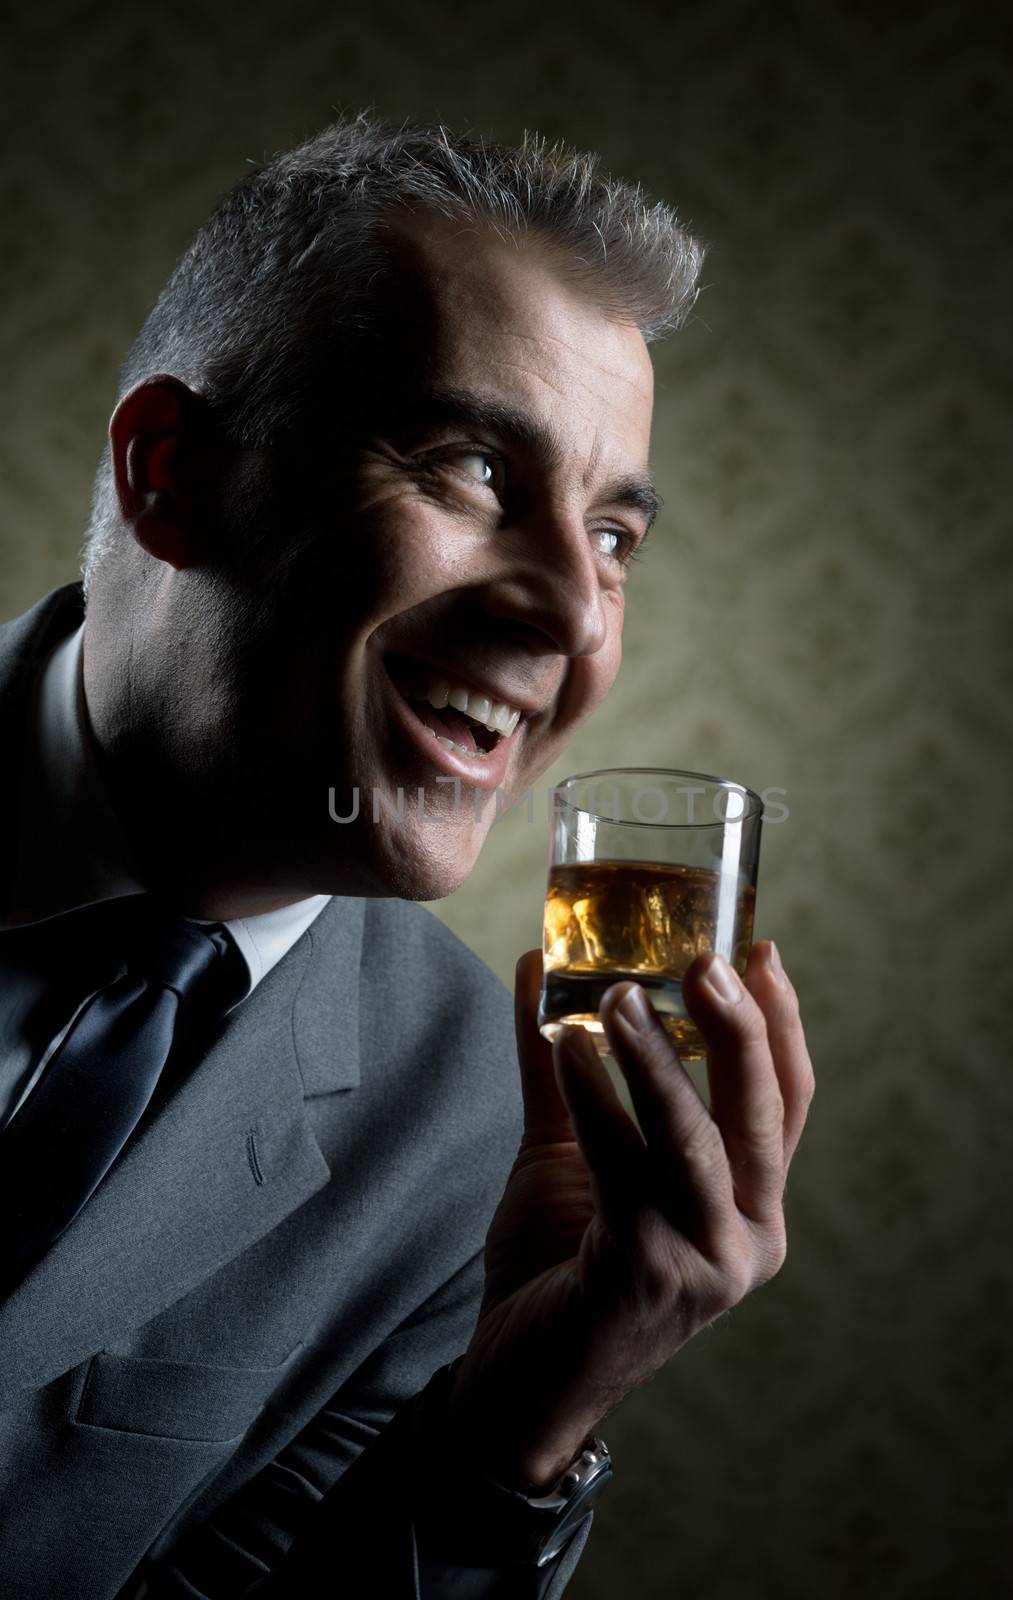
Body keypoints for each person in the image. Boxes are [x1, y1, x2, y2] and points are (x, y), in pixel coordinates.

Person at [0, 119, 814, 1599]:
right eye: (469, 470)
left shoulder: (483, 1138)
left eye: (615, 533)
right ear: (172, 476)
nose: (574, 616)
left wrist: (518, 1426)